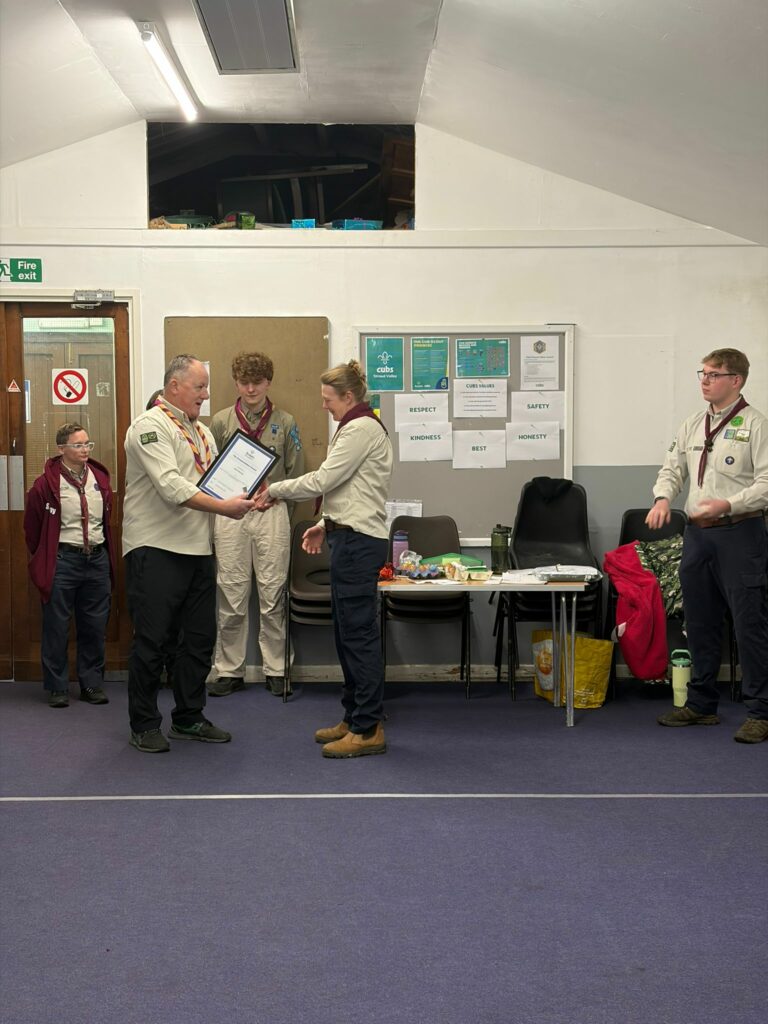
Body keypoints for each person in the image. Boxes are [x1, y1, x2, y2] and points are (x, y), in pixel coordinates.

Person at [255, 360, 393, 757]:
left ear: (348, 397)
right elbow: (350, 490)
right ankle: (353, 718)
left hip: (359, 544)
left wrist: (276, 489)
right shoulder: (355, 427)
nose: (324, 406)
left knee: (359, 637)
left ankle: (368, 729)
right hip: (348, 538)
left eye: (327, 399)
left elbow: (324, 479)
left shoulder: (361, 429)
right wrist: (325, 524)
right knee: (346, 635)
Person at [122, 354, 257, 753]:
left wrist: (249, 497)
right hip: (156, 547)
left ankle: (188, 718)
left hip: (198, 548)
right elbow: (172, 487)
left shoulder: (200, 431)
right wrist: (224, 507)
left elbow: (215, 481)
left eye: (205, 386)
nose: (206, 393)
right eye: (199, 386)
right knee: (152, 642)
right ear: (174, 386)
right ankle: (144, 723)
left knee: (198, 640)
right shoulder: (149, 428)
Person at [646, 348, 768, 743]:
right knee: (699, 622)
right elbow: (672, 469)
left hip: (740, 533)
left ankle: (760, 712)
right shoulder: (693, 424)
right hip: (698, 537)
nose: (705, 379)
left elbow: (766, 484)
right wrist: (663, 497)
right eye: (703, 372)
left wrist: (729, 503)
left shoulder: (757, 425)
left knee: (750, 625)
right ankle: (701, 704)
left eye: (714, 374)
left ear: (736, 380)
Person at [207, 351, 304, 699]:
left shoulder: (286, 421)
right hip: (230, 512)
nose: (250, 389)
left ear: (268, 383)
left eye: (257, 382)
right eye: (244, 382)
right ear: (236, 383)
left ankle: (277, 668)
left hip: (271, 512)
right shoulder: (219, 422)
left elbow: (298, 472)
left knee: (272, 592)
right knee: (231, 593)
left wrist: (276, 496)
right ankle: (229, 669)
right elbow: (209, 474)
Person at [23, 423, 115, 708]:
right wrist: (48, 555)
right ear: (61, 448)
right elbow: (32, 529)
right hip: (63, 560)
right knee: (56, 626)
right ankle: (57, 686)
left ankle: (91, 684)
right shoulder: (45, 484)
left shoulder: (99, 477)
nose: (85, 449)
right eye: (78, 445)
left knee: (94, 625)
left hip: (96, 560)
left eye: (88, 443)